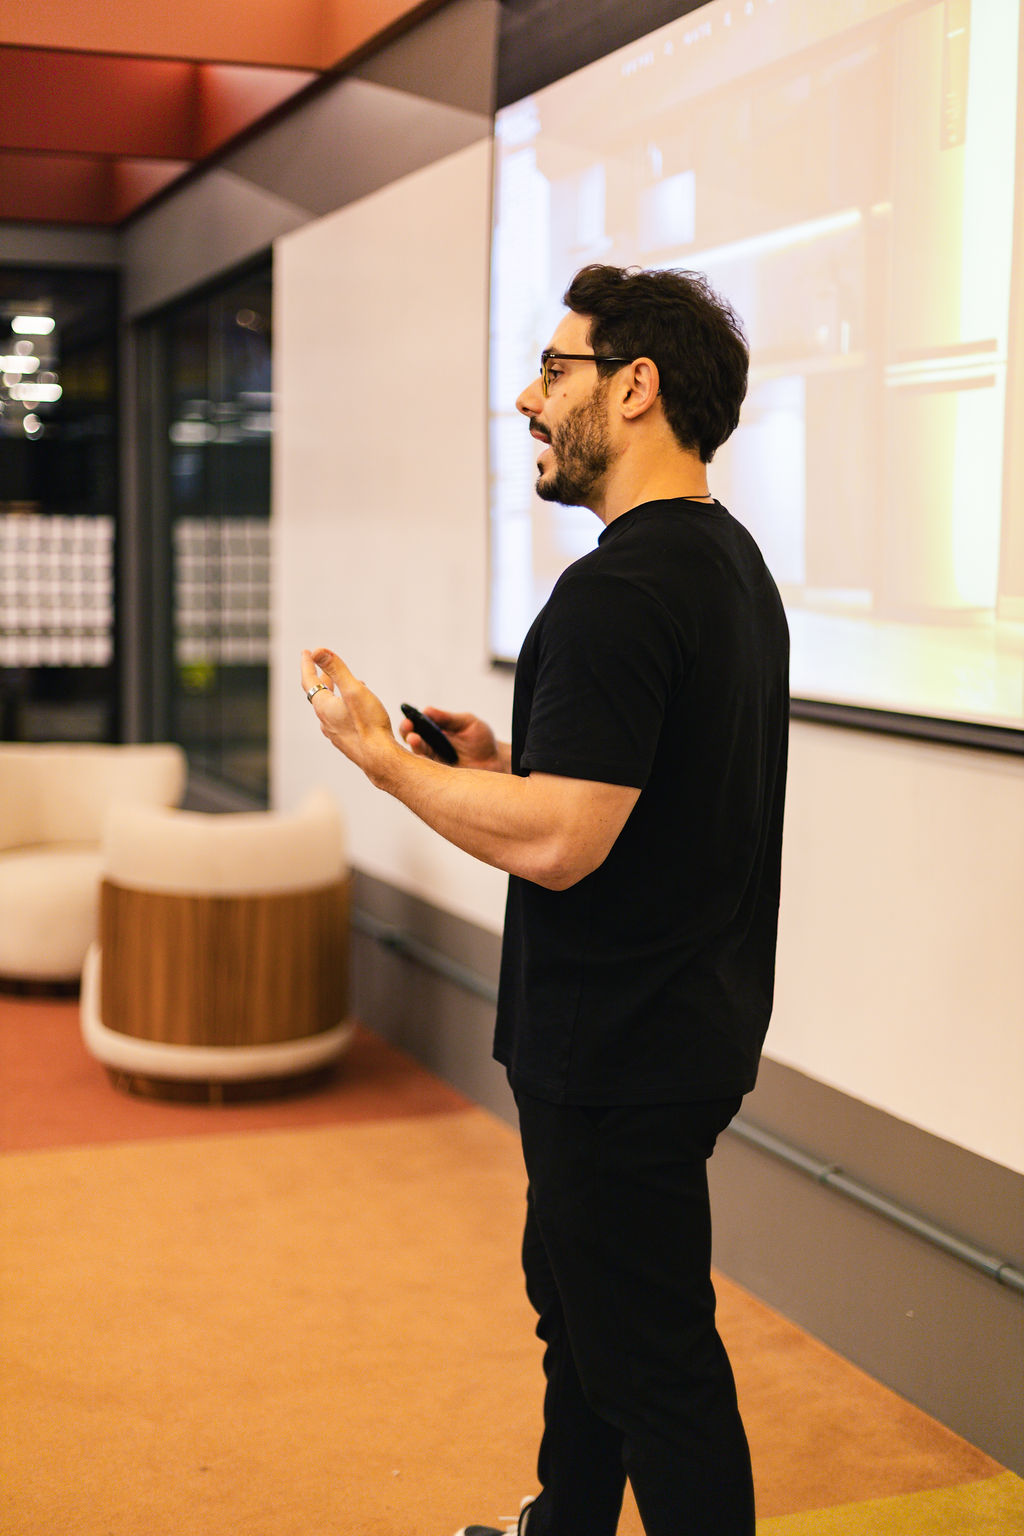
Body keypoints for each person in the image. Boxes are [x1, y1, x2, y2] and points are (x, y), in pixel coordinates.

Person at [301, 263, 789, 1536]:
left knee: (652, 1361)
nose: (528, 398)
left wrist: (384, 760)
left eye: (554, 370)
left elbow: (565, 845)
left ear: (635, 388)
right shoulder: (725, 566)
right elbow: (633, 796)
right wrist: (502, 768)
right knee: (585, 1317)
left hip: (616, 1046)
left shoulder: (616, 591)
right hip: (673, 1026)